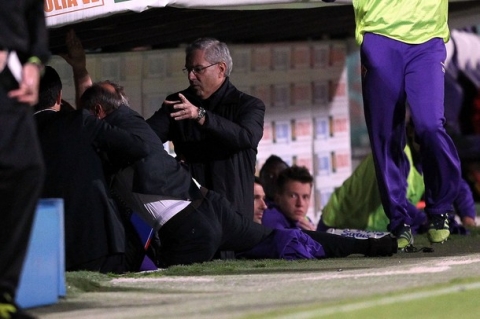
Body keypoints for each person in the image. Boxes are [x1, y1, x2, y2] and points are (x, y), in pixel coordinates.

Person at [80, 81, 397, 266]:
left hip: (192, 227)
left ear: (97, 115)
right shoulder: (132, 125)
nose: (189, 76)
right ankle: (370, 247)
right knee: (287, 239)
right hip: (213, 208)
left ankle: (367, 247)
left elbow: (115, 130)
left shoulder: (124, 133)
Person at [323, 0, 462, 249]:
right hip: (380, 34)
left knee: (430, 126)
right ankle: (399, 221)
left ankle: (441, 208)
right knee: (385, 135)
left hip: (427, 38)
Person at [33, 65, 145, 273]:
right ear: (59, 97)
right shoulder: (79, 121)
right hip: (97, 242)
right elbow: (136, 147)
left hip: (42, 252)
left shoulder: (11, 137)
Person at [146, 37, 265, 221]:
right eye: (189, 69)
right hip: (191, 215)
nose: (191, 76)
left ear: (221, 69)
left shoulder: (248, 105)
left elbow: (246, 137)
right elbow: (145, 139)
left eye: (198, 69)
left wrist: (201, 116)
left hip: (233, 218)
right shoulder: (179, 102)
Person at [318, 122, 477, 239]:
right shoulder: (397, 153)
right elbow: (395, 198)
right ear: (409, 131)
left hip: (375, 229)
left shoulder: (425, 154)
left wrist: (468, 216)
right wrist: (427, 219)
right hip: (340, 224)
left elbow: (456, 183)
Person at [0, 1, 50, 318]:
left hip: (11, 79)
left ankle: (3, 294)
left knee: (26, 170)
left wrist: (34, 63)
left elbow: (34, 17)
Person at [262, 166, 317, 231]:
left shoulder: (305, 221)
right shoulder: (271, 219)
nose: (300, 204)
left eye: (305, 197)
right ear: (277, 199)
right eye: (293, 196)